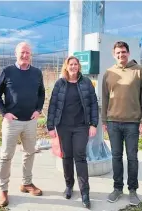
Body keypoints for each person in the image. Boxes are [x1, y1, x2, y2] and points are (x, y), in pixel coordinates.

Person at [0, 42, 45, 207]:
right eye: (22, 52)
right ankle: (3, 189)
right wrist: (4, 112)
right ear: (16, 54)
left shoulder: (37, 73)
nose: (25, 55)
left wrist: (38, 109)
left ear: (31, 55)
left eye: (28, 53)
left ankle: (27, 183)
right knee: (6, 156)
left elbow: (41, 92)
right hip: (12, 122)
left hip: (30, 122)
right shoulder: (7, 71)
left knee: (29, 153)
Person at [102, 41, 142, 206]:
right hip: (113, 122)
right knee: (116, 157)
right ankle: (117, 188)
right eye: (118, 53)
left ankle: (132, 190)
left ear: (128, 53)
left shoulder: (140, 72)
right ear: (113, 54)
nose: (121, 55)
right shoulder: (108, 73)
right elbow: (105, 98)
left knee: (132, 157)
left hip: (132, 123)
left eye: (123, 52)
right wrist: (104, 120)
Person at [47, 56, 99, 209]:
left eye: (76, 64)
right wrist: (51, 126)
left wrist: (93, 124)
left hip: (81, 127)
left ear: (79, 67)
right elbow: (53, 105)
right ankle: (69, 185)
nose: (73, 67)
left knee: (80, 157)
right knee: (67, 156)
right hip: (63, 127)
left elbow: (93, 104)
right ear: (66, 66)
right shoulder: (60, 84)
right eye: (71, 64)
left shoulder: (86, 82)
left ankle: (85, 193)